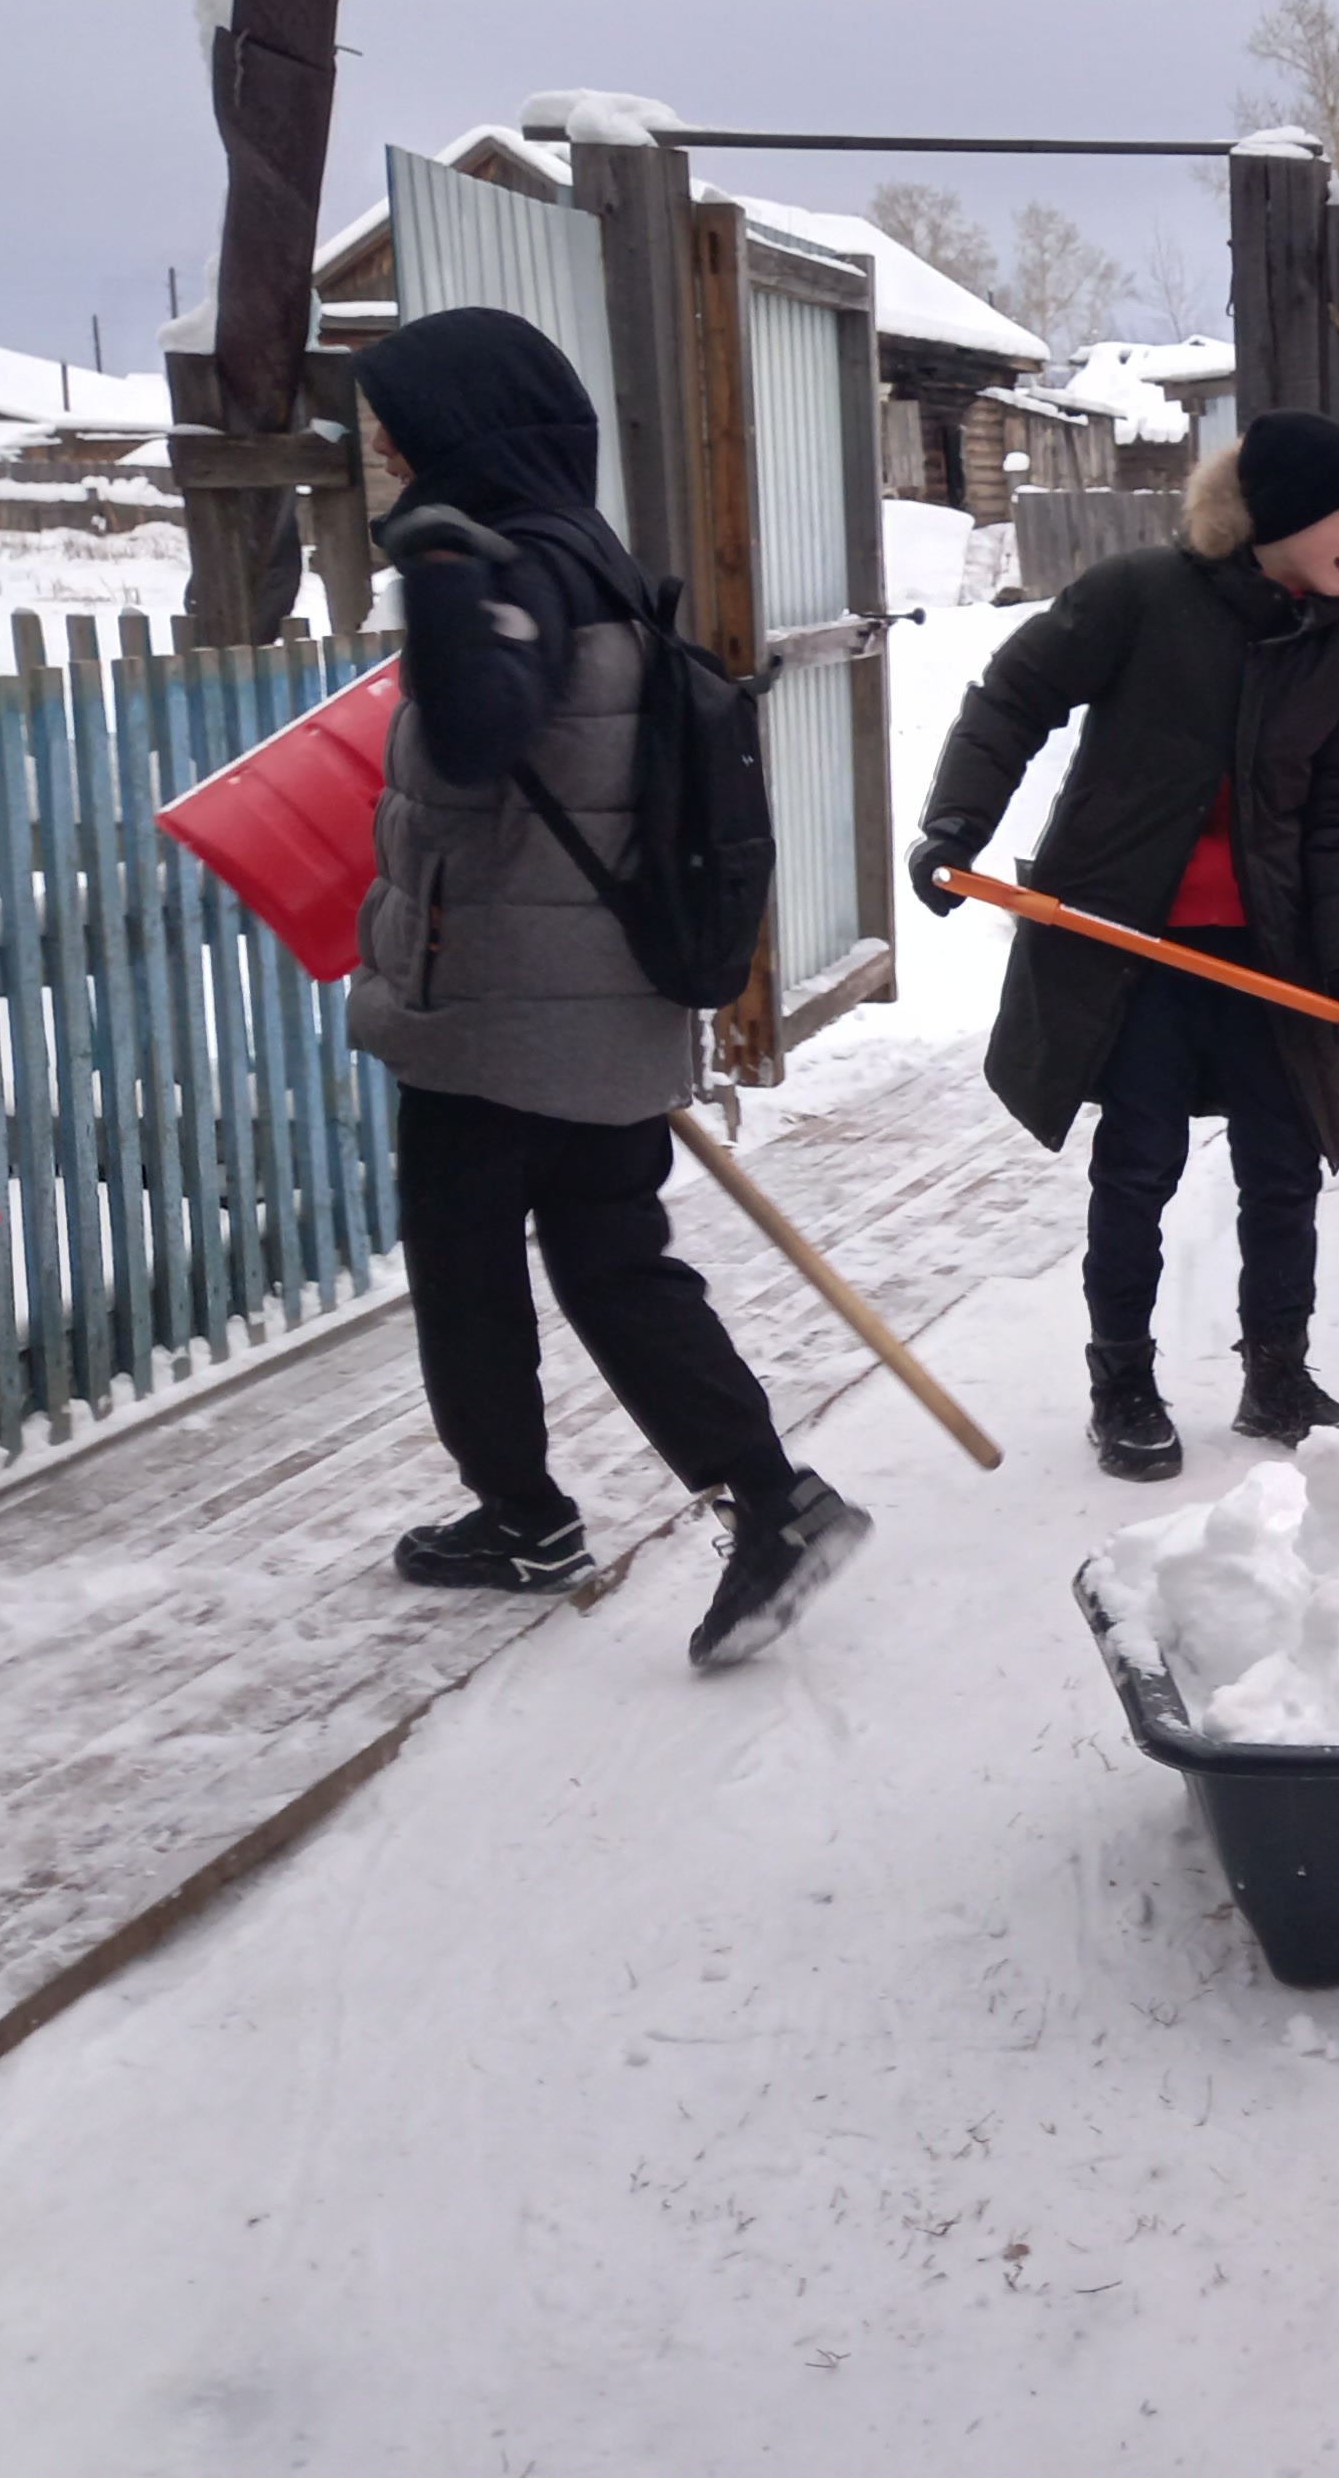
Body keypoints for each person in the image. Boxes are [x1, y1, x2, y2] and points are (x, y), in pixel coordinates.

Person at [349, 307, 872, 1673]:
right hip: (606, 1000)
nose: (384, 449)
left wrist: (445, 578)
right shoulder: (596, 557)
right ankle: (771, 1497)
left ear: (455, 430)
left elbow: (472, 745)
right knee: (609, 1259)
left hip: (499, 1017)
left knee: (470, 1272)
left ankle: (522, 1517)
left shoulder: (501, 566)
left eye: (396, 424)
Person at [909, 409, 1339, 1479]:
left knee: (1286, 1168)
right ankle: (1121, 1382)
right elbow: (1013, 698)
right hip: (1130, 941)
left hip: (1271, 952)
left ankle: (1278, 1371)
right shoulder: (1141, 596)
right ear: (1280, 515)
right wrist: (956, 826)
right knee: (1138, 1165)